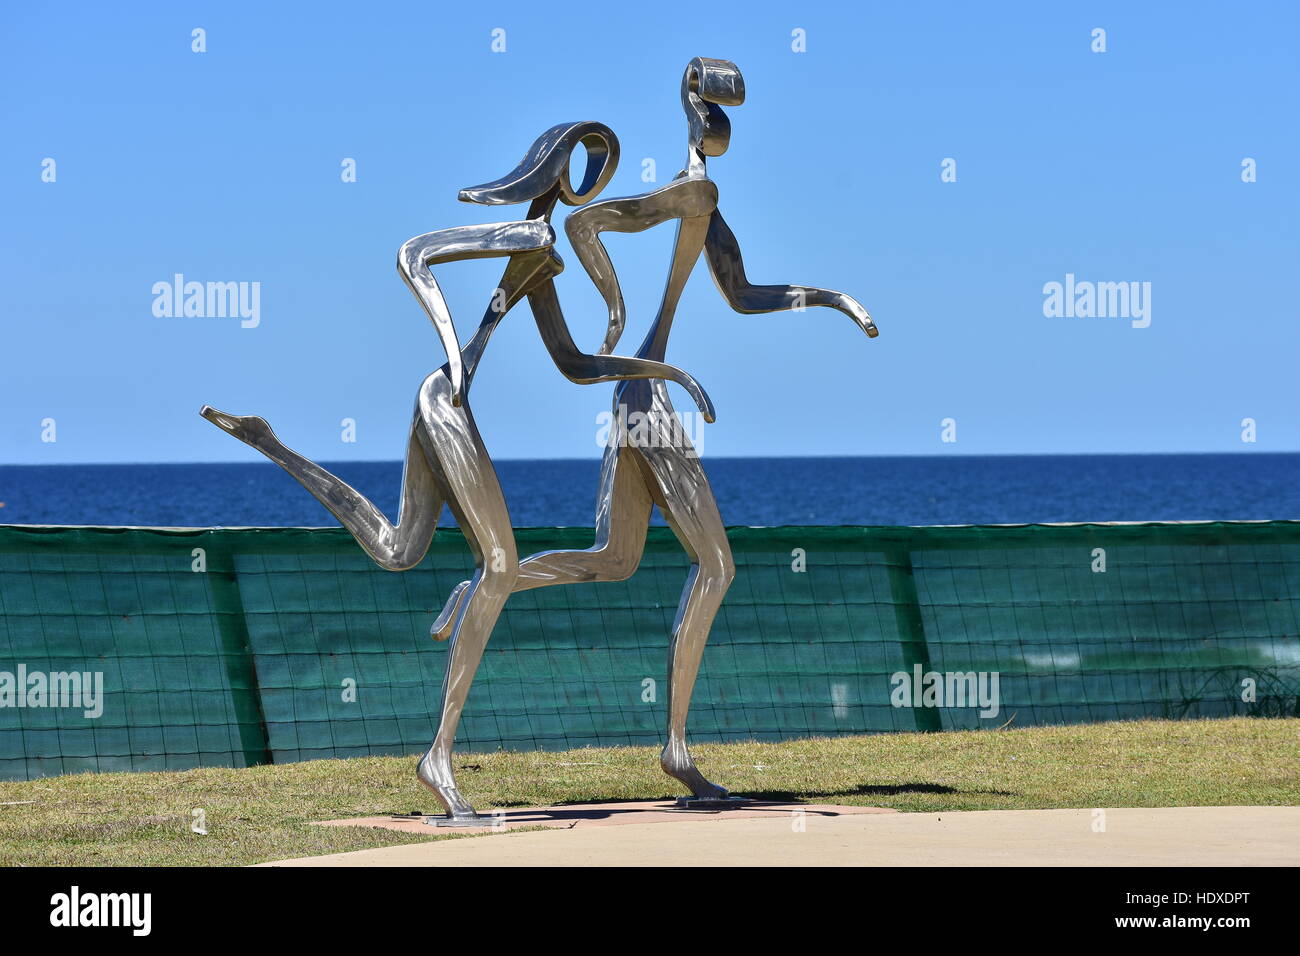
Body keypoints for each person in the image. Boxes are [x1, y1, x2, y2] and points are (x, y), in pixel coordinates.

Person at [199, 121, 713, 822]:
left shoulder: (544, 252)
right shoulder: (524, 236)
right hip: (446, 403)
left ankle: (274, 445)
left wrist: (663, 371)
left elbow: (572, 364)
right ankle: (438, 756)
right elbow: (415, 256)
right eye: (582, 168)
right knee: (500, 568)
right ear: (553, 173)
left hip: (440, 401)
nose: (586, 185)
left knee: (398, 549)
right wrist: (450, 341)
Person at [436, 58, 878, 802]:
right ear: (702, 118)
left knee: (615, 558)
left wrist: (831, 299)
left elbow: (743, 295)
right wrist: (610, 304)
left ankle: (485, 583)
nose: (720, 128)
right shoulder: (691, 188)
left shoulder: (705, 199)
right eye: (715, 114)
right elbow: (586, 222)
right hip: (650, 404)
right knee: (718, 566)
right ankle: (675, 747)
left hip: (639, 400)